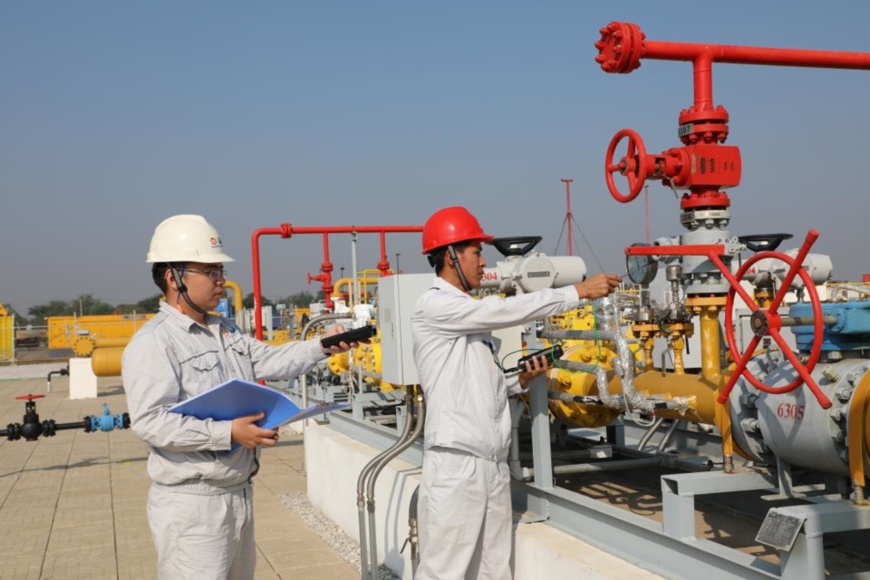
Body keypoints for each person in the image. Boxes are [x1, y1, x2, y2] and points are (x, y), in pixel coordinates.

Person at [122, 214, 359, 580]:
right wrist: (229, 433)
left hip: (238, 493)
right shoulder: (154, 342)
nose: (222, 280)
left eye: (220, 270)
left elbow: (271, 360)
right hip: (193, 505)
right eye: (210, 271)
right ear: (174, 277)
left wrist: (323, 346)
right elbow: (152, 422)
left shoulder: (225, 330)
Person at [411, 206, 622, 580]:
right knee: (445, 571)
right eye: (476, 252)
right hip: (456, 465)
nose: (483, 261)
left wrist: (518, 381)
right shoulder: (435, 306)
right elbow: (505, 310)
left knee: (494, 570)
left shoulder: (466, 315)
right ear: (450, 256)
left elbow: (478, 382)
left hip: (490, 463)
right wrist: (577, 291)